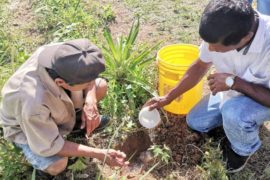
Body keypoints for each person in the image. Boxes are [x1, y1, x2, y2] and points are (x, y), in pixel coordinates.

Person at [145, 0, 270, 173]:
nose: (210, 49)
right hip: (232, 91)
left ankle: (241, 150)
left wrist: (234, 82)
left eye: (217, 48)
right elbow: (200, 66)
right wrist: (168, 97)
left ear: (246, 38)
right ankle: (236, 125)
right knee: (196, 121)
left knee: (234, 114)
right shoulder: (222, 28)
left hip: (263, 100)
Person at [0, 39, 129, 177]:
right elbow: (51, 145)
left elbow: (92, 80)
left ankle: (76, 126)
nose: (89, 85)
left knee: (100, 86)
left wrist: (91, 100)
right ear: (61, 82)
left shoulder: (67, 54)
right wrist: (99, 154)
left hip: (53, 102)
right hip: (27, 128)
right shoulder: (33, 104)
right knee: (57, 164)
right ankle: (34, 160)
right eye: (85, 84)